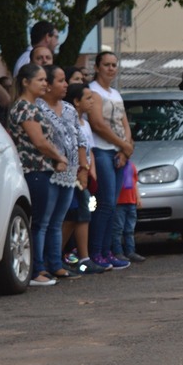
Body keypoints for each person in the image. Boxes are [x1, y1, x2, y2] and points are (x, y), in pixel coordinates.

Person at [7, 63, 71, 286]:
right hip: (34, 169)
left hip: (43, 169)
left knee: (45, 221)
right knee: (39, 223)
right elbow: (40, 142)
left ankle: (46, 266)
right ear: (26, 82)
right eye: (41, 80)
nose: (45, 83)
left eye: (46, 80)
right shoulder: (24, 107)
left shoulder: (34, 107)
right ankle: (36, 270)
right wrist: (59, 157)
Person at [37, 65, 89, 278]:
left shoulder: (68, 108)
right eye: (60, 81)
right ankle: (39, 266)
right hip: (49, 171)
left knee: (59, 220)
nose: (66, 84)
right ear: (47, 85)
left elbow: (80, 138)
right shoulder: (38, 109)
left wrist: (83, 168)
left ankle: (56, 263)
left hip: (70, 173)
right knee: (43, 221)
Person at [86, 52, 133, 270]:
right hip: (101, 150)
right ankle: (96, 252)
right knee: (104, 204)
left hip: (117, 153)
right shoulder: (93, 92)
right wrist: (123, 145)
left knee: (112, 205)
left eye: (114, 65)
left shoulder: (115, 93)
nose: (111, 69)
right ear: (97, 67)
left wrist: (125, 150)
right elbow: (98, 124)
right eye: (107, 65)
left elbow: (125, 124)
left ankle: (107, 251)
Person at [62, 82, 106, 273]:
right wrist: (82, 169)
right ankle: (58, 255)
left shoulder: (85, 124)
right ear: (76, 102)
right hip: (74, 174)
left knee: (84, 214)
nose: (92, 102)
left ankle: (84, 256)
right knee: (73, 215)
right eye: (87, 98)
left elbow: (90, 150)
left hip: (86, 173)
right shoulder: (68, 121)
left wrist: (91, 170)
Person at [113, 160, 145, 261]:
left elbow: (134, 183)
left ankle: (130, 251)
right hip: (119, 202)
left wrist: (138, 198)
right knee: (118, 229)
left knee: (129, 229)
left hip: (131, 202)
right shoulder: (116, 163)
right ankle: (117, 252)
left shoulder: (131, 165)